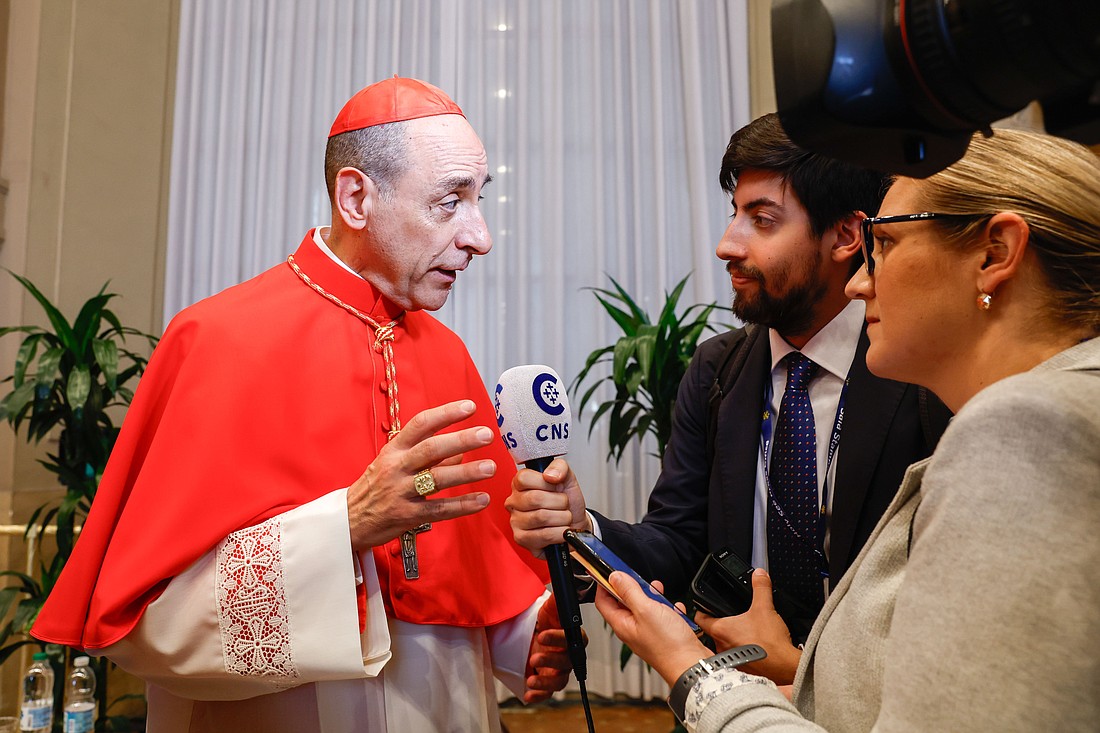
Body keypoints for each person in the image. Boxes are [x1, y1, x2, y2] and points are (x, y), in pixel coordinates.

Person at [30, 77, 574, 733]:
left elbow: (465, 583)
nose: (480, 236)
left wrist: (530, 632)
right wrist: (343, 525)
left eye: (479, 200)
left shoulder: (448, 354)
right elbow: (145, 619)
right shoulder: (217, 339)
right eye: (450, 201)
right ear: (355, 197)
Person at [594, 127, 1100, 732]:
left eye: (882, 244)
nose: (863, 280)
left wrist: (690, 666)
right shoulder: (720, 369)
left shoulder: (1022, 426)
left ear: (994, 254)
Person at [508, 113, 949, 677]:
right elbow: (678, 539)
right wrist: (581, 528)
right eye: (734, 215)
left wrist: (809, 676)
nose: (726, 245)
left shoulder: (916, 369)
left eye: (762, 221)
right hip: (733, 692)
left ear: (846, 236)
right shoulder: (717, 370)